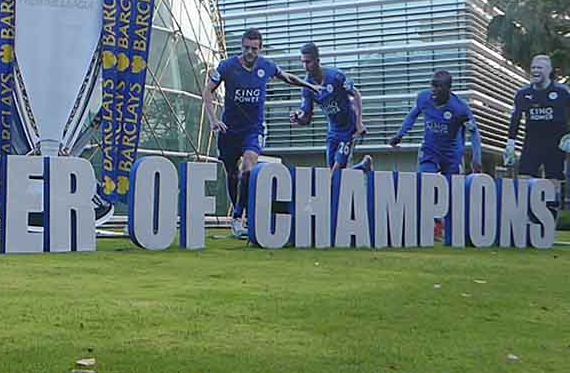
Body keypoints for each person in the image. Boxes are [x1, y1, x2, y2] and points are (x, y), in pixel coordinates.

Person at [202, 29, 322, 239]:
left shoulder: (266, 66)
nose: (249, 52)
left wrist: (308, 85)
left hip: (253, 129)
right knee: (232, 173)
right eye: (246, 47)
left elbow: (286, 77)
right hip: (229, 130)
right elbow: (207, 91)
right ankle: (238, 216)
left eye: (254, 48)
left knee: (248, 167)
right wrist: (214, 119)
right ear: (242, 46)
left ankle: (239, 218)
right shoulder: (227, 66)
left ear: (260, 48)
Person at [390, 70, 483, 242]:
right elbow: (413, 115)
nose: (434, 89)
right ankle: (431, 225)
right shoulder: (424, 98)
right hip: (430, 151)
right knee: (426, 183)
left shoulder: (460, 108)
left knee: (450, 192)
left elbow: (475, 133)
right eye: (433, 84)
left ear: (448, 88)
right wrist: (400, 134)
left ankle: (449, 228)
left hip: (451, 155)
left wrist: (477, 159)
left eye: (439, 86)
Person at [288, 42, 373, 173]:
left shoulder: (335, 76)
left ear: (317, 60)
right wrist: (298, 119)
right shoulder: (307, 87)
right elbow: (307, 118)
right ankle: (362, 167)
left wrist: (359, 122)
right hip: (333, 131)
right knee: (334, 173)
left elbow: (356, 94)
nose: (305, 66)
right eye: (303, 62)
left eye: (308, 62)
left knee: (336, 171)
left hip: (349, 128)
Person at [503, 54, 570, 180]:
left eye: (539, 68)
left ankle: (554, 199)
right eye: (533, 68)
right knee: (523, 181)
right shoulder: (522, 94)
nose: (535, 71)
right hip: (532, 143)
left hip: (555, 144)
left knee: (554, 182)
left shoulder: (563, 91)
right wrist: (510, 145)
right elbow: (515, 120)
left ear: (549, 70)